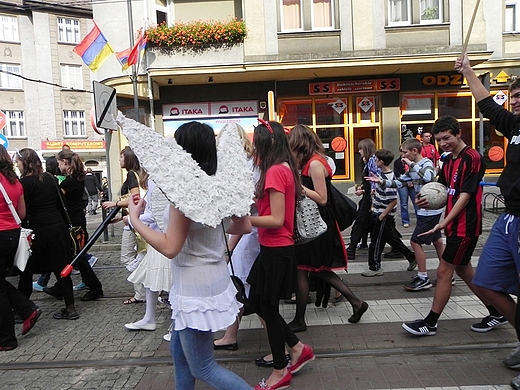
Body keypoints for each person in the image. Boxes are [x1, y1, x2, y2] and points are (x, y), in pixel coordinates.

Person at [126, 121, 253, 390]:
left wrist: (135, 220)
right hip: (212, 277)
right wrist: (214, 230)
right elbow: (243, 225)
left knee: (204, 366)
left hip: (194, 286)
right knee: (179, 352)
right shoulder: (220, 185)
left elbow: (171, 246)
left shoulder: (183, 192)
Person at [401, 115, 502, 336]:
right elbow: (440, 189)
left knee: (444, 270)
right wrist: (423, 198)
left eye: (446, 138)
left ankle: (430, 322)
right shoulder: (448, 160)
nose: (443, 143)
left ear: (458, 134)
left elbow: (466, 195)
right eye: (438, 139)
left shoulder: (472, 157)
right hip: (454, 225)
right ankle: (497, 311)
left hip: (466, 226)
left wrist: (444, 222)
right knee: (465, 271)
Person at [455, 54, 520, 387]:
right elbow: (487, 106)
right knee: (485, 282)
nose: (517, 100)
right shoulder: (516, 126)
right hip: (509, 219)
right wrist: (467, 71)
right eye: (515, 95)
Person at [247, 120, 314, 390]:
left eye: (257, 144)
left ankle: (279, 371)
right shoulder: (285, 168)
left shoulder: (275, 171)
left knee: (269, 309)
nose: (254, 150)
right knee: (260, 303)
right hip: (274, 249)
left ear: (267, 144)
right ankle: (298, 349)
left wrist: (246, 220)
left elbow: (275, 219)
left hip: (276, 249)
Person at [287, 124, 368, 332]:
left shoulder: (314, 164)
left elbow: (322, 198)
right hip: (316, 223)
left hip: (317, 224)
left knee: (305, 268)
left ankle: (300, 319)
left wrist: (299, 188)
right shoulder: (311, 162)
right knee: (314, 269)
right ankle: (356, 303)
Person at [368, 139, 443, 290]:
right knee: (437, 241)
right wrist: (381, 181)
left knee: (415, 242)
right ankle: (447, 274)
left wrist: (411, 164)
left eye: (404, 152)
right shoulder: (412, 167)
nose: (402, 155)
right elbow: (399, 182)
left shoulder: (426, 163)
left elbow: (429, 177)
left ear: (414, 151)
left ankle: (423, 277)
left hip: (429, 210)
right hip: (425, 210)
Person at [15, 148, 78, 319]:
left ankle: (23, 310)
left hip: (38, 229)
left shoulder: (24, 183)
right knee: (61, 268)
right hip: (57, 227)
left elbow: (24, 211)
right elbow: (61, 202)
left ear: (25, 162)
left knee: (26, 270)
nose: (17, 165)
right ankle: (70, 308)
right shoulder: (50, 178)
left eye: (18, 162)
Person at [214, 124, 260, 351]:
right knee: (244, 286)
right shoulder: (253, 164)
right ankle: (230, 334)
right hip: (254, 233)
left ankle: (289, 345)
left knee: (244, 286)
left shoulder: (239, 168)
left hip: (247, 235)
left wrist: (228, 249)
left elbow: (243, 212)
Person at [46, 149, 104, 304]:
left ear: (65, 162)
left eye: (59, 163)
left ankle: (95, 288)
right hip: (76, 220)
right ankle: (60, 287)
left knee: (78, 257)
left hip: (73, 223)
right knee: (74, 256)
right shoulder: (76, 178)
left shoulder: (69, 182)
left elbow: (58, 200)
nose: (58, 166)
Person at [0, 145, 41, 351]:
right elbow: (22, 213)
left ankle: (7, 339)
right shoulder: (15, 182)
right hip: (13, 235)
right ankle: (27, 309)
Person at [125, 179, 172, 332]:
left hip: (162, 237)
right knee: (151, 280)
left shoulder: (160, 179)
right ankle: (149, 318)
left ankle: (177, 324)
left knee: (171, 282)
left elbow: (159, 215)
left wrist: (133, 218)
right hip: (157, 236)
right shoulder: (154, 179)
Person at [102, 146, 147, 305]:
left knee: (127, 257)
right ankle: (144, 290)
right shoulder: (139, 174)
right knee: (138, 256)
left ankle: (143, 290)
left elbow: (135, 199)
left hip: (135, 222)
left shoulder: (131, 175)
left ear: (128, 158)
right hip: (135, 220)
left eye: (121, 157)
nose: (119, 160)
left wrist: (115, 203)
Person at [361, 149, 416, 277]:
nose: (374, 162)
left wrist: (383, 214)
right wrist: (374, 192)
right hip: (379, 212)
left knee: (376, 241)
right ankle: (411, 256)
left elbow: (393, 200)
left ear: (381, 162)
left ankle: (375, 267)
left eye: (376, 160)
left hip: (383, 214)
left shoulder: (388, 177)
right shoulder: (382, 174)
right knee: (390, 238)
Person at [346, 139, 378, 259]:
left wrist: (364, 190)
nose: (359, 151)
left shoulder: (372, 161)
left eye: (360, 149)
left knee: (361, 221)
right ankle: (360, 243)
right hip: (368, 197)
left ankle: (352, 248)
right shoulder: (368, 161)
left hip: (370, 198)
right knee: (364, 221)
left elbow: (374, 181)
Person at [393, 151, 418, 228]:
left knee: (416, 202)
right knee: (404, 203)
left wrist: (412, 181)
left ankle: (420, 219)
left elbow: (416, 173)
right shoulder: (397, 162)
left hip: (412, 183)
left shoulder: (412, 162)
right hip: (403, 183)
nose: (403, 154)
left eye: (405, 152)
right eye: (401, 152)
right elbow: (397, 173)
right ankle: (405, 221)